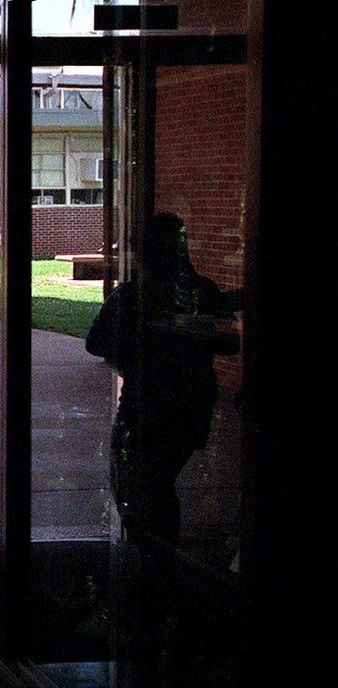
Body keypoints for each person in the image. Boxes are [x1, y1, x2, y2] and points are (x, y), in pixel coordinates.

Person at [84, 212, 239, 548]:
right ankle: (157, 548)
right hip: (194, 402)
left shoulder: (131, 296)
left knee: (138, 482)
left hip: (147, 403)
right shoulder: (203, 291)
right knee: (160, 479)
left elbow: (95, 343)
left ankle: (153, 552)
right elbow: (229, 342)